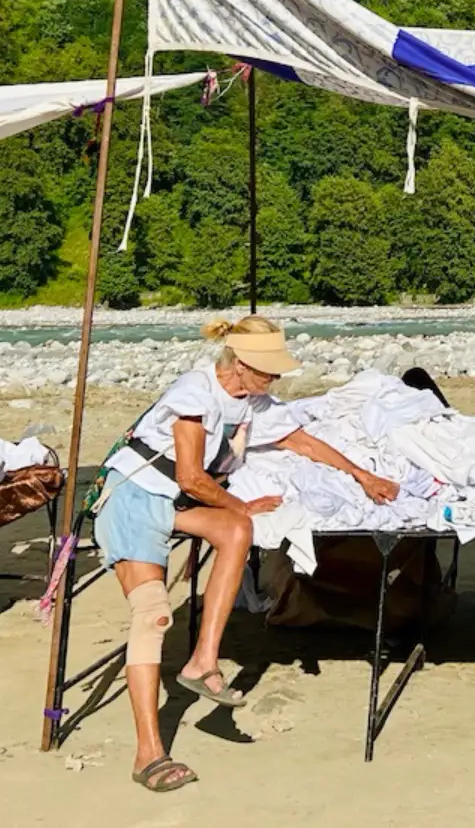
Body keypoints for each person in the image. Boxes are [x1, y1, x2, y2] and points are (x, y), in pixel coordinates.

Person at [94, 315, 400, 793]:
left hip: (175, 502)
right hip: (134, 497)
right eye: (267, 370)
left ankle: (202, 662)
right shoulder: (196, 392)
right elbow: (191, 477)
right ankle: (148, 754)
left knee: (237, 530)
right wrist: (241, 503)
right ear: (238, 363)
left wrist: (364, 476)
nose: (273, 378)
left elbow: (301, 441)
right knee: (153, 616)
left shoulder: (252, 401)